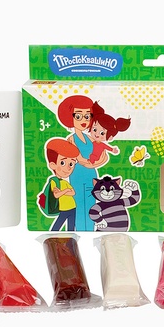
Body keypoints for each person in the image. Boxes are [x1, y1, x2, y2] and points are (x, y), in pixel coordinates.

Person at [56, 95, 109, 231]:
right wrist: (92, 163)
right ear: (70, 117)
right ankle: (80, 229)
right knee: (78, 202)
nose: (84, 120)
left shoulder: (90, 137)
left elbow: (104, 156)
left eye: (87, 116)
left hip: (91, 175)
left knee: (91, 202)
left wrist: (94, 164)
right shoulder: (71, 139)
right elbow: (79, 159)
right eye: (78, 116)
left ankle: (90, 229)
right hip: (77, 175)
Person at [44, 138, 79, 232]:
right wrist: (66, 191)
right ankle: (52, 237)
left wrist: (63, 192)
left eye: (71, 164)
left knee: (71, 228)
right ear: (53, 165)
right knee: (57, 226)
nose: (68, 168)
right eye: (62, 163)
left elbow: (73, 192)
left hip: (73, 207)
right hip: (64, 208)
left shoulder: (65, 182)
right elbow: (56, 195)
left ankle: (70, 238)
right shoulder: (54, 181)